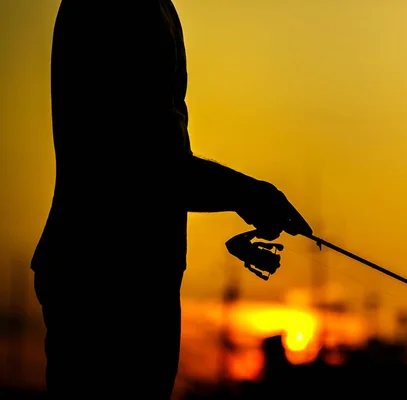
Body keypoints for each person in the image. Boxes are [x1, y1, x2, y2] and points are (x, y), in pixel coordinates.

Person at [31, 1, 312, 398]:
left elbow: (155, 160)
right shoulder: (121, 10)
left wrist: (247, 195)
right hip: (111, 284)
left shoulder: (150, 8)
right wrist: (250, 194)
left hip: (124, 276)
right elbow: (148, 165)